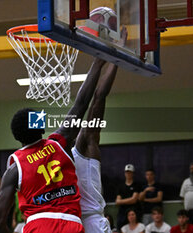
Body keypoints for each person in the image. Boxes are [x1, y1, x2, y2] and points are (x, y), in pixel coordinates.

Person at [0, 58, 107, 233]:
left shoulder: (15, 169)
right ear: (39, 128)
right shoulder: (59, 142)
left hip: (39, 225)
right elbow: (81, 103)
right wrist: (98, 63)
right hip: (71, 224)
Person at [71, 60, 118, 232]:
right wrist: (114, 60)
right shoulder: (80, 148)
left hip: (86, 222)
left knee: (98, 102)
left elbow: (99, 97)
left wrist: (114, 61)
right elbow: (99, 97)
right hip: (79, 222)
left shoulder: (82, 149)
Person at [115, 164, 141, 230]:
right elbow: (117, 201)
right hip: (122, 213)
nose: (128, 174)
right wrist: (129, 200)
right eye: (127, 172)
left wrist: (122, 201)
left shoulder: (136, 185)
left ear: (133, 174)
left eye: (130, 172)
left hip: (133, 213)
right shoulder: (121, 186)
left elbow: (134, 200)